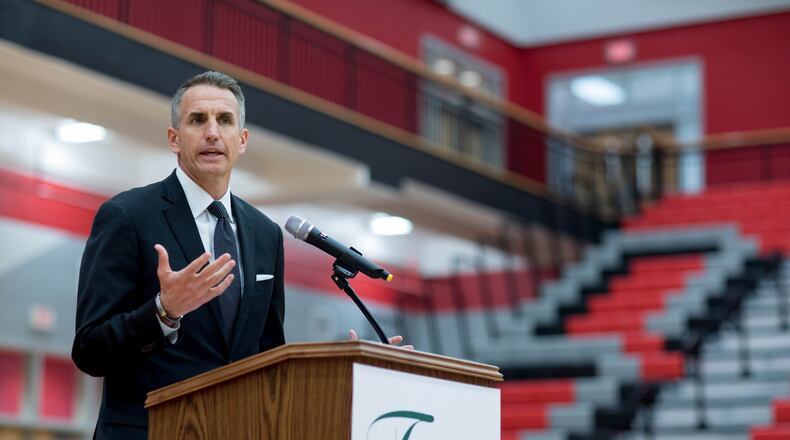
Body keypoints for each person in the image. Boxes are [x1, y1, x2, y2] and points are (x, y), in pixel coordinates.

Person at [72, 71, 407, 439]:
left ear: (242, 140)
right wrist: (163, 312)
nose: (212, 132)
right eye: (197, 120)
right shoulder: (128, 216)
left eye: (225, 121)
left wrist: (334, 361)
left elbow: (267, 358)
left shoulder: (264, 234)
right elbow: (90, 351)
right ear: (174, 138)